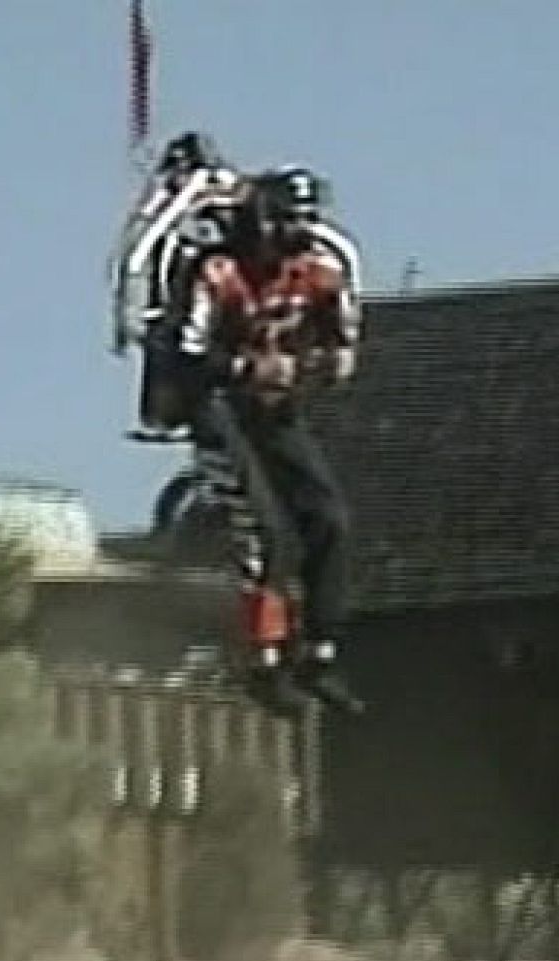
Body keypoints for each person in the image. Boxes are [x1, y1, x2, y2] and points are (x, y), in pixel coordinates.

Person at [169, 165, 364, 713]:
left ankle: (319, 653)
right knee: (266, 532)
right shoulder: (218, 273)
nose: (292, 241)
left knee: (329, 519)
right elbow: (188, 355)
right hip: (217, 407)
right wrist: (243, 368)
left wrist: (327, 358)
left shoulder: (319, 273)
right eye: (284, 225)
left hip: (275, 410)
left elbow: (341, 335)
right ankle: (264, 660)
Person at [108, 130, 243, 434]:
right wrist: (131, 320)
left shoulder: (230, 205)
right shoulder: (162, 215)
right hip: (171, 317)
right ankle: (172, 415)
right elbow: (136, 259)